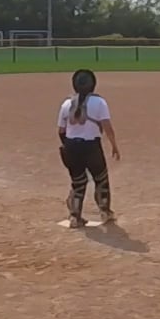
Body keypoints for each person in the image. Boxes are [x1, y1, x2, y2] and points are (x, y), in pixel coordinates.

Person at [57, 69, 122, 228]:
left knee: (78, 182)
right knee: (101, 179)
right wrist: (114, 145)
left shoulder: (66, 104)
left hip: (71, 146)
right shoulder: (99, 102)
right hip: (91, 147)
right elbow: (107, 127)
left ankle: (74, 217)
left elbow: (61, 130)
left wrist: (68, 146)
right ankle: (105, 212)